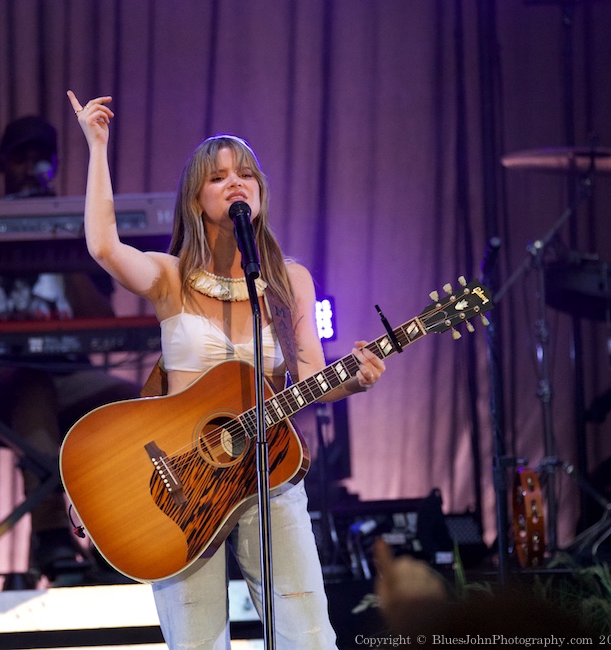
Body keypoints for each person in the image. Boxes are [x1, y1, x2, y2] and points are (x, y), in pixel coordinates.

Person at [68, 90, 387, 648]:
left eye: (246, 174)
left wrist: (354, 379)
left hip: (267, 477)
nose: (236, 183)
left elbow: (311, 375)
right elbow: (102, 246)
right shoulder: (170, 277)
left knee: (309, 637)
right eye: (218, 178)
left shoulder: (290, 281)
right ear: (196, 198)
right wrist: (97, 147)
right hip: (180, 490)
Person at [0, 115, 140, 587]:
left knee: (135, 406)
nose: (29, 167)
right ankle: (52, 538)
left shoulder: (79, 232)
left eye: (40, 158)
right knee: (33, 383)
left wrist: (64, 247)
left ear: (55, 165)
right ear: (3, 165)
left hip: (69, 376)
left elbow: (101, 316)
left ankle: (118, 539)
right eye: (20, 157)